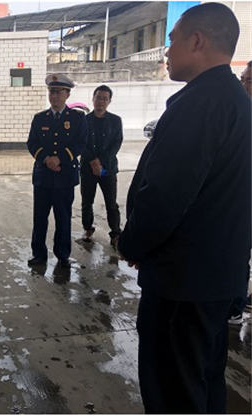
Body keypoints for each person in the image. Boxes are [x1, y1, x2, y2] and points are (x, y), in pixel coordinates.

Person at [117, 3, 251, 414]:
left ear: (197, 41)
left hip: (184, 282)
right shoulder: (236, 102)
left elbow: (166, 194)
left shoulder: (201, 103)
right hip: (216, 278)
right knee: (203, 382)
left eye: (172, 39)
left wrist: (134, 244)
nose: (166, 50)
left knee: (172, 389)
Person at [26, 74, 88, 268]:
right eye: (51, 92)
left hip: (65, 176)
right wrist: (46, 159)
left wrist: (59, 158)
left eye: (58, 92)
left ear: (67, 94)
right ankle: (39, 254)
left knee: (63, 218)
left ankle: (62, 255)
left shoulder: (77, 118)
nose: (54, 96)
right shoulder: (39, 118)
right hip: (43, 176)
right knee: (39, 219)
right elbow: (32, 143)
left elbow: (80, 143)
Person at [79, 85, 123, 247]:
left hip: (108, 169)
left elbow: (116, 143)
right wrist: (92, 161)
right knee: (87, 201)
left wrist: (100, 161)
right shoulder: (83, 121)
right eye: (98, 98)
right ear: (93, 99)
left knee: (111, 203)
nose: (101, 101)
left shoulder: (115, 120)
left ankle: (116, 233)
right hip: (88, 169)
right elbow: (80, 143)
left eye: (105, 98)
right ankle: (87, 229)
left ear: (109, 101)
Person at [228, 59, 252, 325]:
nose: (244, 85)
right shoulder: (238, 112)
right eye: (243, 79)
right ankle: (236, 304)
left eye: (250, 81)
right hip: (239, 200)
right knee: (238, 253)